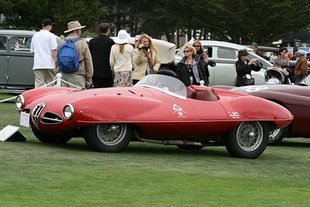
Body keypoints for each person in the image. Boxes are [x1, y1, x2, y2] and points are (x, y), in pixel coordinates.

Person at [60, 20, 93, 88]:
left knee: (64, 97)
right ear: (77, 30)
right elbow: (88, 60)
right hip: (78, 74)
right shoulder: (82, 43)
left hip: (63, 75)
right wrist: (89, 76)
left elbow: (57, 59)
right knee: (77, 97)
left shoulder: (62, 42)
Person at [30, 18, 58, 88]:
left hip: (38, 64)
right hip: (49, 64)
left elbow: (33, 52)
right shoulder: (51, 36)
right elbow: (53, 51)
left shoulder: (35, 36)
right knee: (50, 85)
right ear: (49, 26)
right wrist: (56, 62)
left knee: (38, 86)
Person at [89, 23, 115, 88]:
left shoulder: (92, 41)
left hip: (95, 72)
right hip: (107, 72)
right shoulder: (110, 42)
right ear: (108, 30)